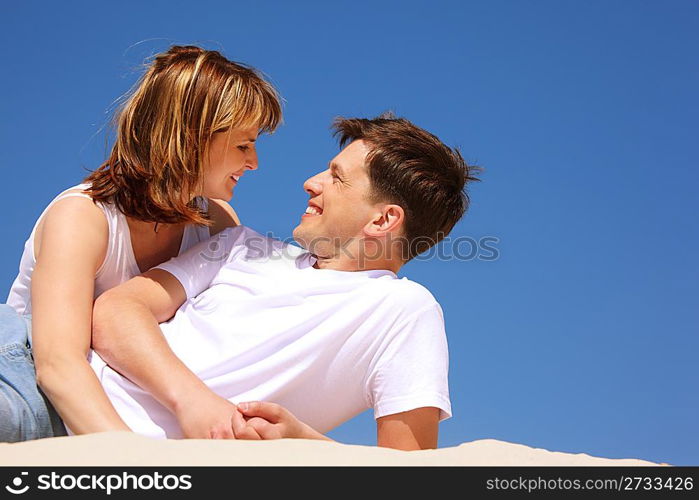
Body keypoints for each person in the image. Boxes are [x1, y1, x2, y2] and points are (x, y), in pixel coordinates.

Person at [85, 114, 480, 450]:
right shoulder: (239, 245)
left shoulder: (403, 311)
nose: (311, 182)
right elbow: (116, 310)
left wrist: (302, 445)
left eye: (337, 178)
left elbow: (408, 472)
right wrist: (194, 402)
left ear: (382, 220)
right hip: (59, 402)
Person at [0, 44, 282, 442]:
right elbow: (58, 364)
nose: (254, 162)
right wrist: (135, 464)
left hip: (117, 402)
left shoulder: (217, 222)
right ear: (191, 138)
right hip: (24, 376)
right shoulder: (84, 218)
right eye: (243, 144)